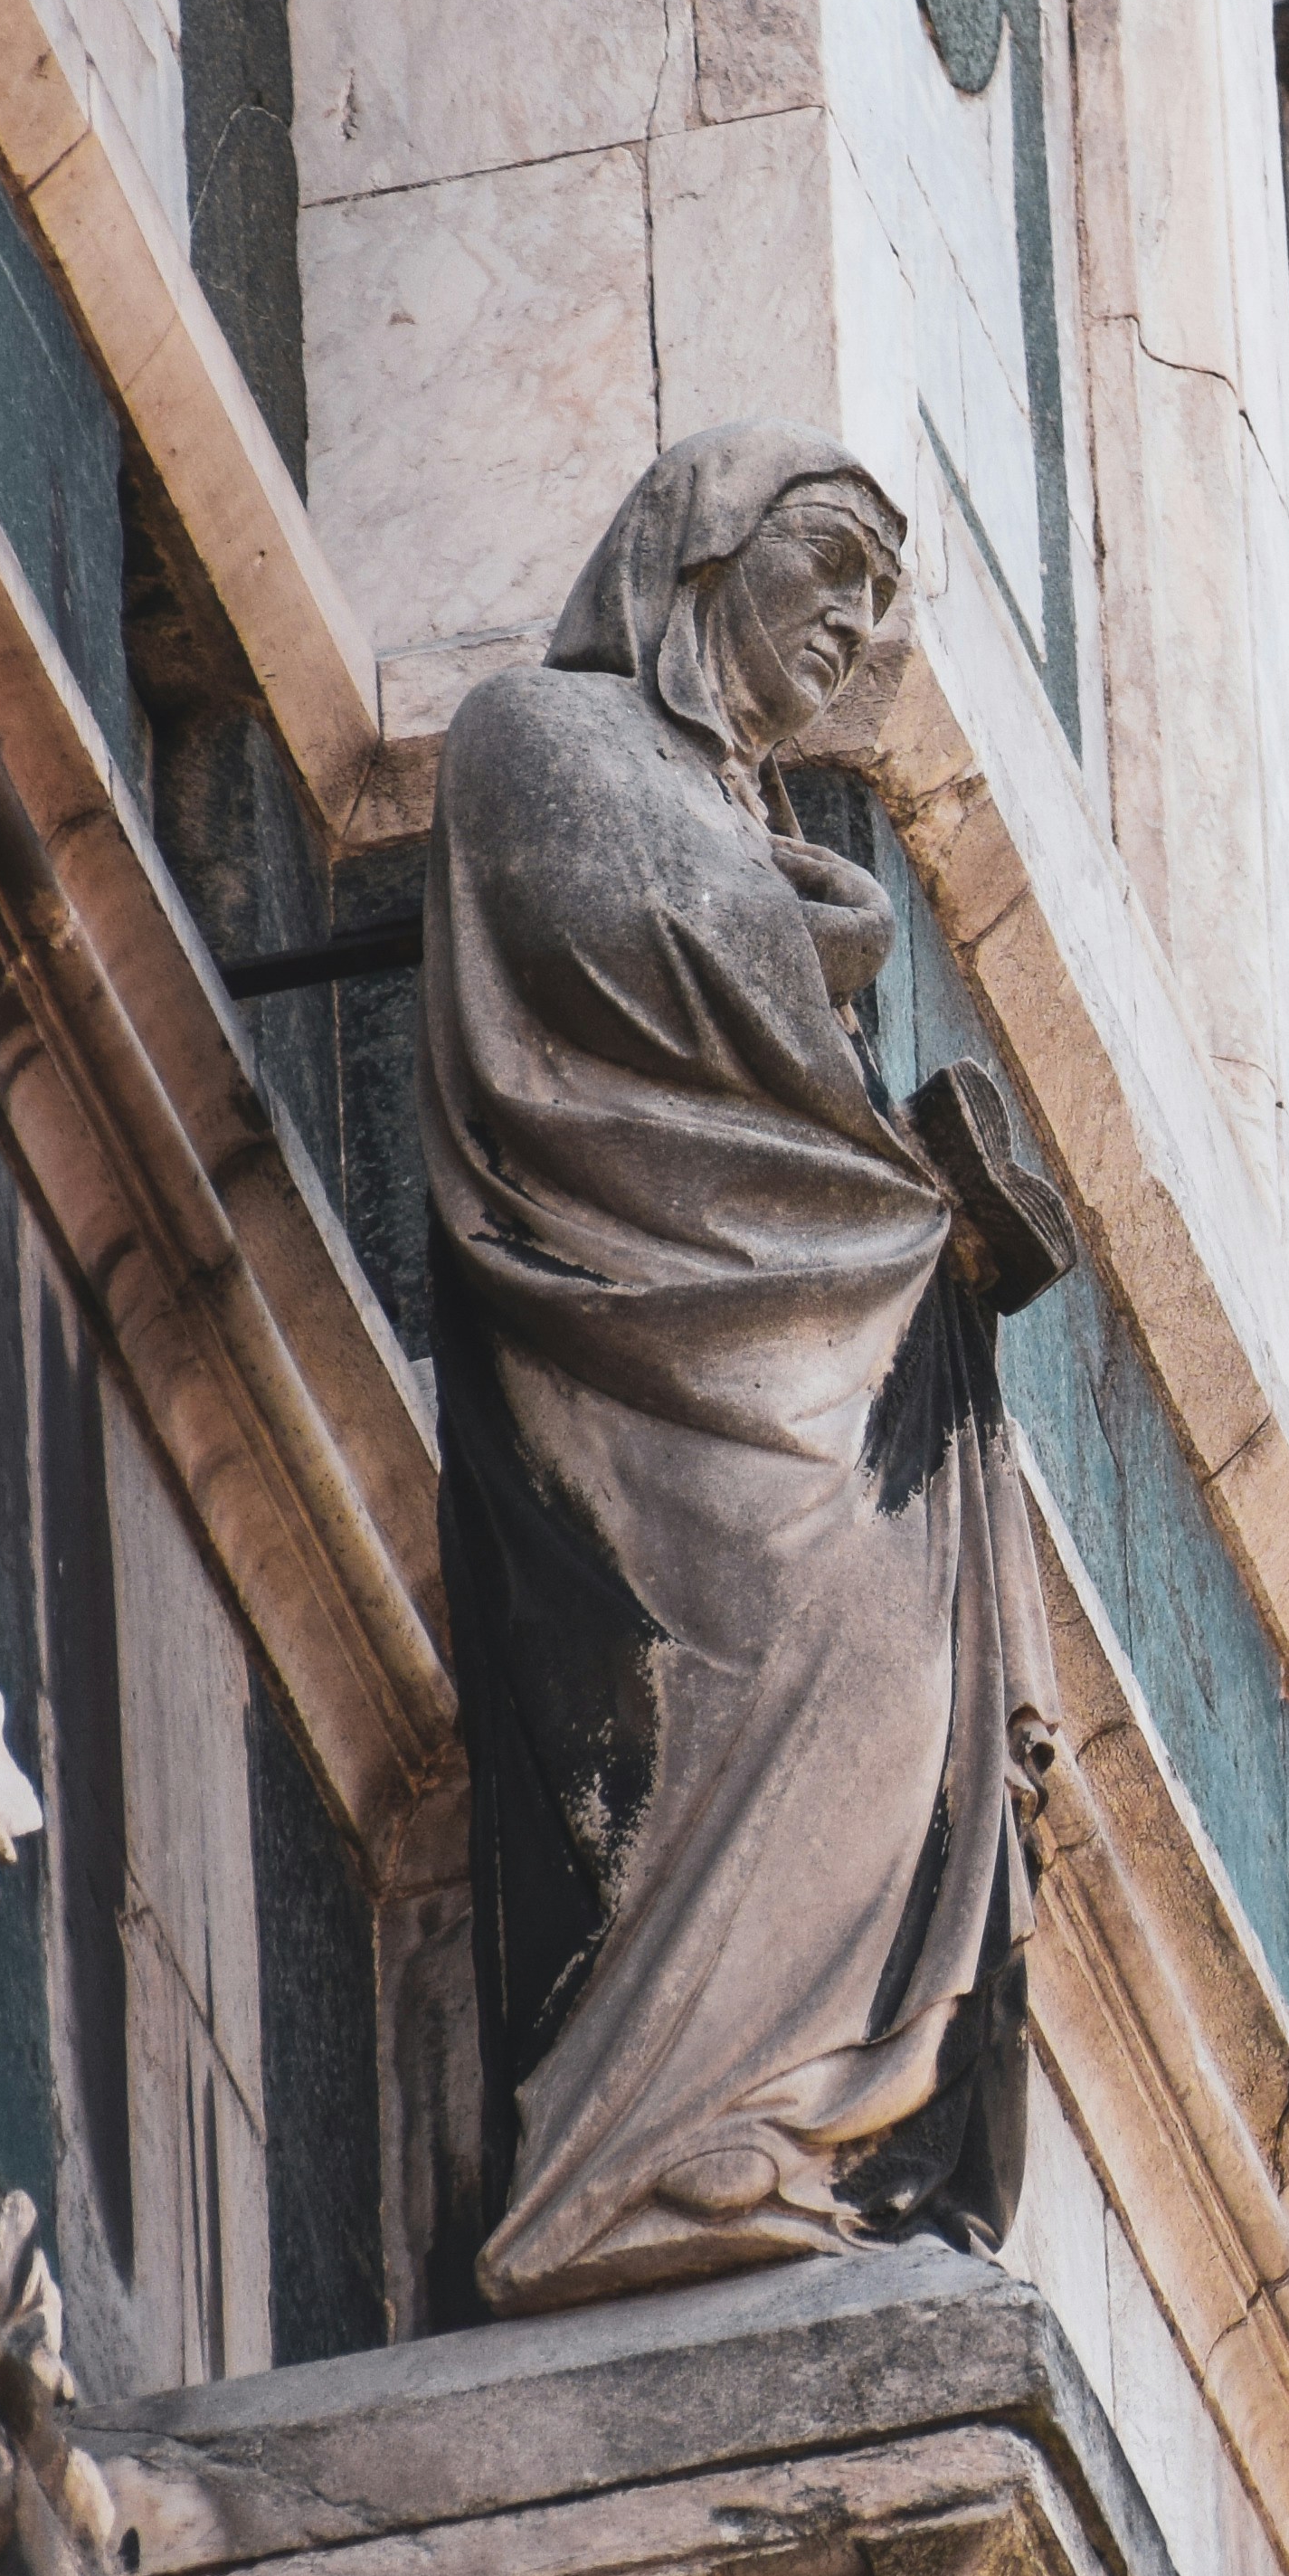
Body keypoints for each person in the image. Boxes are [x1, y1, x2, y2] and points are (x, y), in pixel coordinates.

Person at [421, 423, 1070, 2315]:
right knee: (760, 1664)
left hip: (832, 1338)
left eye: (879, 591)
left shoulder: (748, 825)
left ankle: (785, 2118)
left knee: (891, 1694)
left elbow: (766, 1054)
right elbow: (602, 961)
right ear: (701, 560)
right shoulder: (543, 736)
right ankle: (652, 2137)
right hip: (673, 1331)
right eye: (828, 565)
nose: (854, 617)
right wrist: (810, 943)